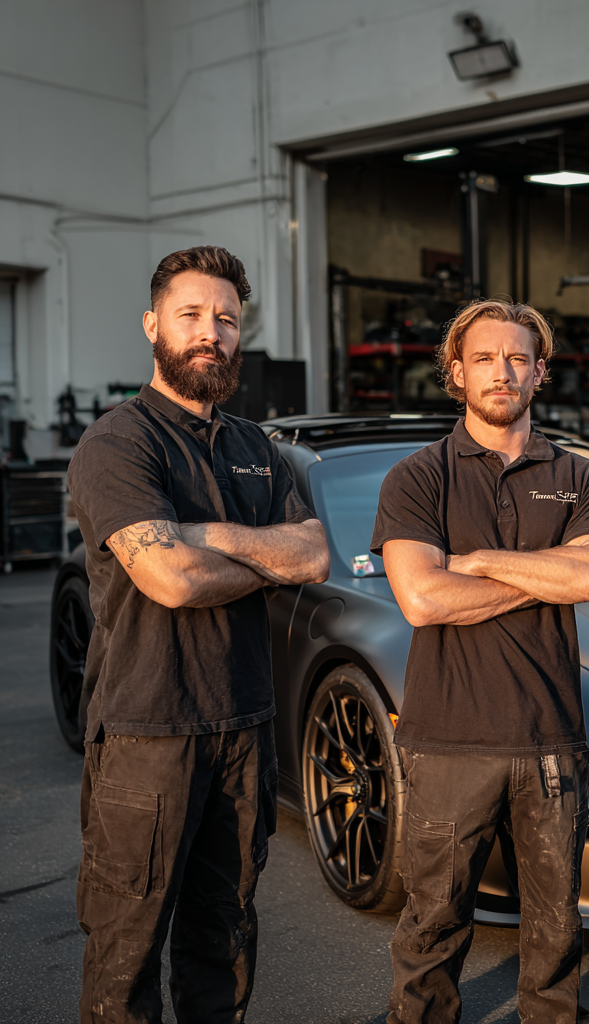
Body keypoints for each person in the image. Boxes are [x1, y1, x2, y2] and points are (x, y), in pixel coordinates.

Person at [68, 246, 330, 1023]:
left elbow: (313, 554)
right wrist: (262, 558)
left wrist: (201, 536)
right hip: (149, 730)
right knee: (127, 953)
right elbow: (170, 579)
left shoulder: (257, 448)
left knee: (225, 940)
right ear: (153, 325)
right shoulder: (119, 442)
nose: (210, 332)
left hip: (245, 725)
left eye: (226, 318)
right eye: (191, 315)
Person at [370, 298, 589, 1024]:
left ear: (540, 372)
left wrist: (477, 564)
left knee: (555, 932)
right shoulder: (418, 477)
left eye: (517, 357)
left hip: (551, 743)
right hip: (448, 743)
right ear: (456, 371)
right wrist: (545, 572)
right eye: (484, 357)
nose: (501, 371)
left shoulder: (580, 478)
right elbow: (422, 598)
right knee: (432, 927)